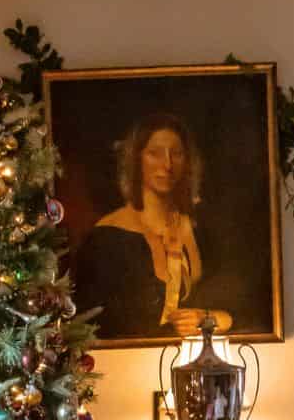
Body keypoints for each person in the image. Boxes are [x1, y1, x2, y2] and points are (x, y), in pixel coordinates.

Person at [72, 112, 234, 341]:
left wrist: (206, 318)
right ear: (136, 160)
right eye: (154, 154)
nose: (167, 165)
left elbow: (234, 309)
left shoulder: (202, 232)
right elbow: (90, 327)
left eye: (176, 154)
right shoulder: (105, 238)